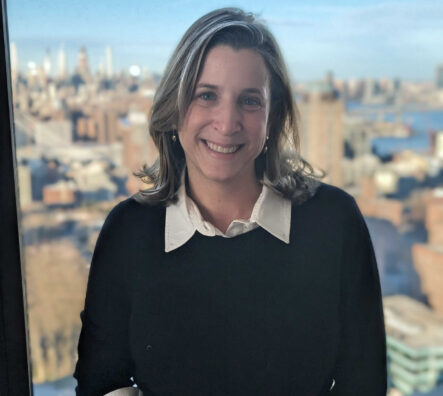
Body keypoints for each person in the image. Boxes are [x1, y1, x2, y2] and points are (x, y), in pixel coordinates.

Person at [74, 8, 387, 396]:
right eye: (206, 95)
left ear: (273, 119)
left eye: (250, 101)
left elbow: (365, 382)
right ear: (174, 109)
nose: (226, 122)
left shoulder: (334, 222)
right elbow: (102, 382)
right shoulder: (128, 232)